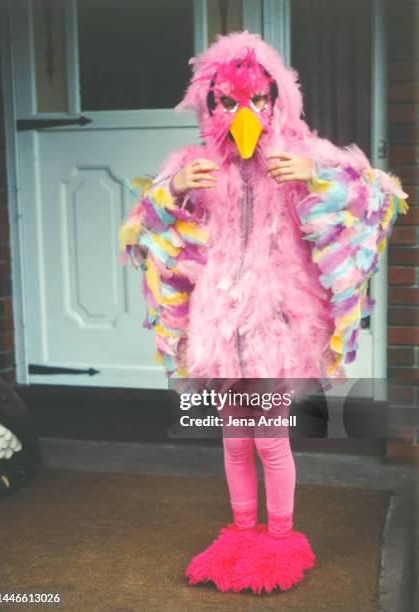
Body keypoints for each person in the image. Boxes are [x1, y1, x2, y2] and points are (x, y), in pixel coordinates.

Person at [119, 31, 407, 593]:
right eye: (228, 101)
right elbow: (143, 228)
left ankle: (279, 538)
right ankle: (241, 531)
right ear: (209, 103)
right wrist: (173, 188)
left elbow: (381, 198)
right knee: (233, 437)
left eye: (258, 99)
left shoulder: (302, 156)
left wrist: (317, 178)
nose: (244, 113)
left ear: (279, 100)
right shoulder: (195, 164)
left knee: (270, 437)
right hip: (220, 321)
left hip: (277, 319)